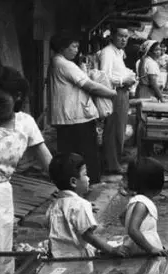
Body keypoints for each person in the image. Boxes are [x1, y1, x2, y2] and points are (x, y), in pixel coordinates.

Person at [0, 65, 52, 251]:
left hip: (2, 197)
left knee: (0, 249)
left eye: (2, 101)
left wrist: (70, 189)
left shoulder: (26, 124)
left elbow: (49, 163)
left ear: (18, 97)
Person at [48, 31, 116, 185]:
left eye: (77, 47)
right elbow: (89, 85)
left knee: (71, 152)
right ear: (63, 47)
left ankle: (73, 183)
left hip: (69, 116)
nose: (76, 50)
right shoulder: (64, 64)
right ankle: (89, 183)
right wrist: (111, 93)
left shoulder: (58, 62)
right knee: (87, 152)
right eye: (73, 46)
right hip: (75, 116)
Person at [46, 153, 128, 258]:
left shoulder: (53, 206)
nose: (88, 178)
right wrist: (111, 250)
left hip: (56, 258)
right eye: (85, 174)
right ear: (74, 182)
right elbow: (88, 236)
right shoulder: (80, 205)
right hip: (78, 259)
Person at [99, 26, 136, 176]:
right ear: (113, 36)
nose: (123, 39)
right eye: (120, 36)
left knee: (119, 129)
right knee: (113, 129)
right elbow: (103, 77)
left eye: (126, 37)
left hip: (122, 91)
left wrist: (129, 77)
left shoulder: (119, 53)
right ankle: (111, 165)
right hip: (114, 93)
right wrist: (123, 80)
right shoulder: (107, 52)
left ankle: (115, 162)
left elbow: (120, 72)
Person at [121, 157, 167, 255]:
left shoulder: (135, 200)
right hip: (143, 249)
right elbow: (133, 230)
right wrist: (151, 248)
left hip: (137, 245)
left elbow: (122, 217)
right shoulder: (143, 204)